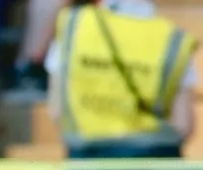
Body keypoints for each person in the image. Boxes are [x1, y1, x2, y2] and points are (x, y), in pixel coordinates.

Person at [46, 0, 197, 159]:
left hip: (86, 158)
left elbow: (57, 111)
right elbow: (184, 125)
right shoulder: (173, 40)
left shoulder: (74, 26)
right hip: (155, 158)